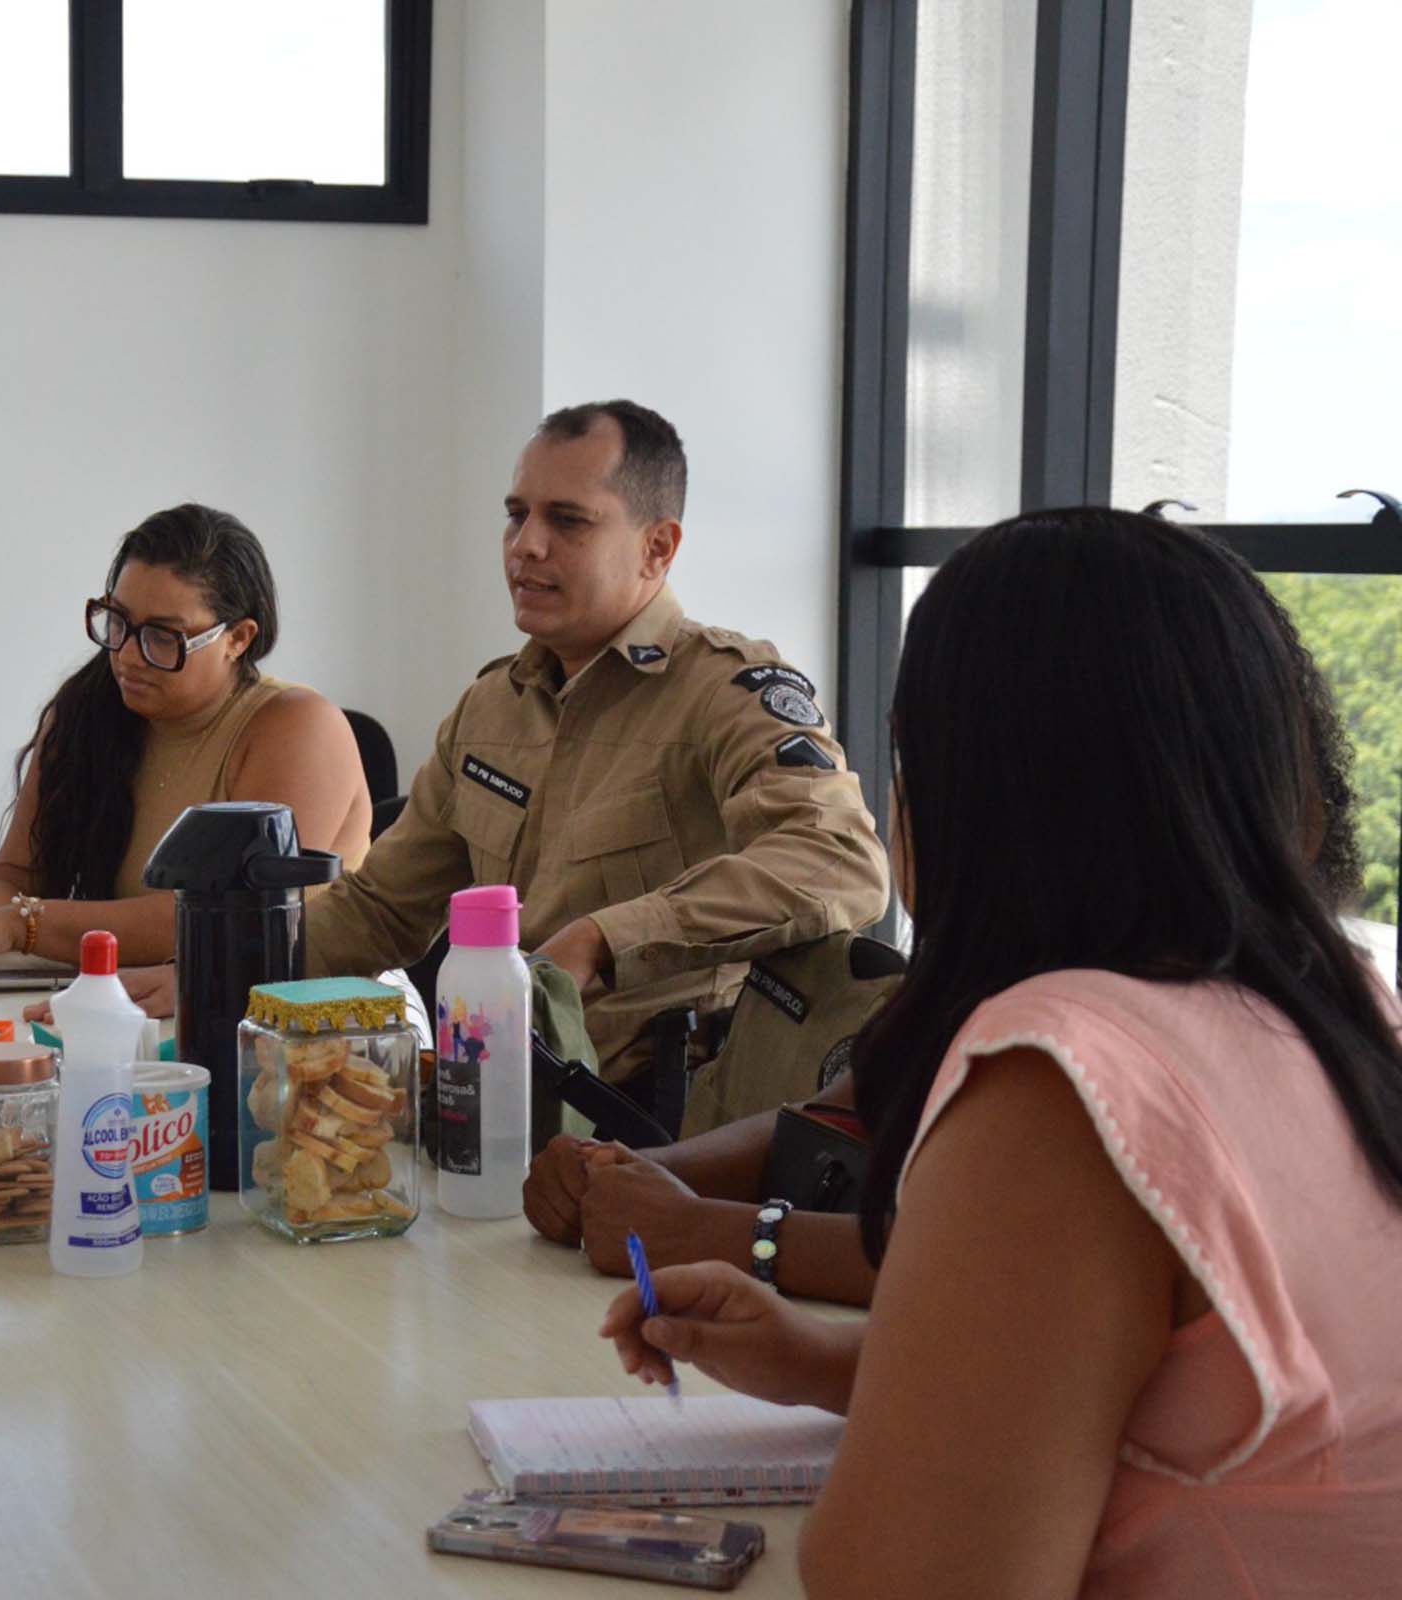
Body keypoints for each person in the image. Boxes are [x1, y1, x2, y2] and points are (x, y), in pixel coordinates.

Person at [601, 509, 1402, 1596]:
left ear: (963, 793)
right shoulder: (1340, 1007)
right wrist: (829, 1363)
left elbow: (894, 1577)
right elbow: (1183, 1410)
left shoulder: (1067, 1081)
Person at [529, 580, 1379, 1308]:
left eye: (916, 753)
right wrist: (634, 1178)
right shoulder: (1323, 994)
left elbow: (987, 1274)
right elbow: (856, 1111)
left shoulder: (1079, 1054)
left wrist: (712, 1233)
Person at [268, 401, 890, 1081]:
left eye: (566, 520)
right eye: (516, 514)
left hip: (653, 1129)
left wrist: (608, 938)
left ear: (658, 547)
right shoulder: (490, 707)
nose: (525, 545)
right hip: (492, 1091)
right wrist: (210, 968)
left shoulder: (722, 693)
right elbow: (379, 911)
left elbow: (841, 860)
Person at [0, 502, 372, 975]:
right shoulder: (88, 712)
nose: (129, 656)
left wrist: (17, 924)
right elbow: (15, 879)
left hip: (313, 1018)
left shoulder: (298, 726)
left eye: (163, 636)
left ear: (237, 639)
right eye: (118, 621)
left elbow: (217, 917)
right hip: (149, 1000)